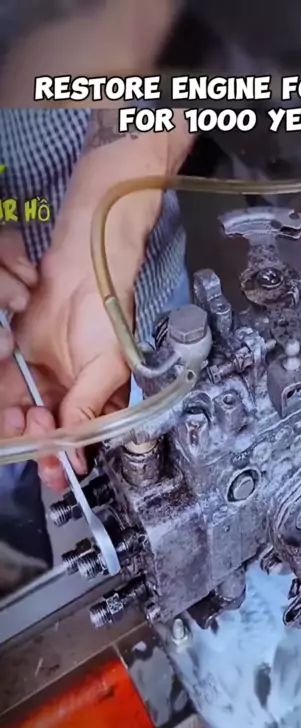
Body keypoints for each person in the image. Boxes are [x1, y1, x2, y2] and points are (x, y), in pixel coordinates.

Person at [0, 103, 194, 567]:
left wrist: (96, 252)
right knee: (18, 465)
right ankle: (21, 541)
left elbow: (182, 81)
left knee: (178, 448)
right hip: (25, 370)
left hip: (140, 299)